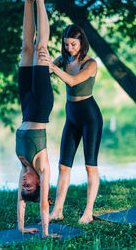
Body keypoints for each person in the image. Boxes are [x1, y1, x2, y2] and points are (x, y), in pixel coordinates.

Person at [38, 24, 103, 224]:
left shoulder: (90, 63)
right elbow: (45, 71)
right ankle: (57, 210)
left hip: (90, 117)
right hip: (72, 116)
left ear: (82, 42)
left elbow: (74, 81)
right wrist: (43, 61)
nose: (69, 48)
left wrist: (53, 67)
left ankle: (88, 212)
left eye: (73, 44)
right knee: (64, 166)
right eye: (66, 44)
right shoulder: (63, 60)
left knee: (90, 166)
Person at [15, 0, 55, 238]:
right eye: (30, 187)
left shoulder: (22, 166)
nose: (25, 184)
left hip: (25, 105)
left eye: (23, 187)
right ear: (39, 184)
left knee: (26, 48)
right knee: (41, 47)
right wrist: (44, 232)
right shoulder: (42, 167)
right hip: (41, 104)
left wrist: (20, 227)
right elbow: (43, 204)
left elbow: (19, 202)